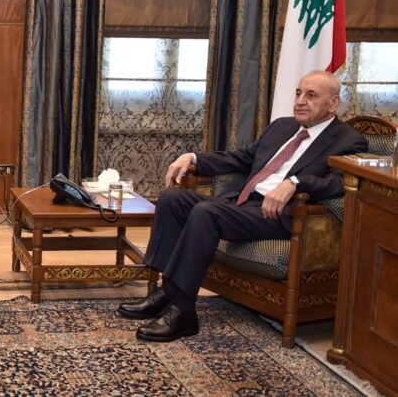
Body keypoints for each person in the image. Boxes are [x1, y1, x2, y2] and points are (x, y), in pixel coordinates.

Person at [118, 70, 367, 342]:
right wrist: (193, 157)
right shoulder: (282, 127)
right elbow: (242, 157)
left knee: (206, 212)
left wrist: (297, 182)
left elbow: (340, 182)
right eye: (298, 93)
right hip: (243, 203)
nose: (300, 101)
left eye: (311, 95)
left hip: (277, 214)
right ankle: (167, 292)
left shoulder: (348, 140)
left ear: (333, 103)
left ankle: (183, 311)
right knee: (172, 198)